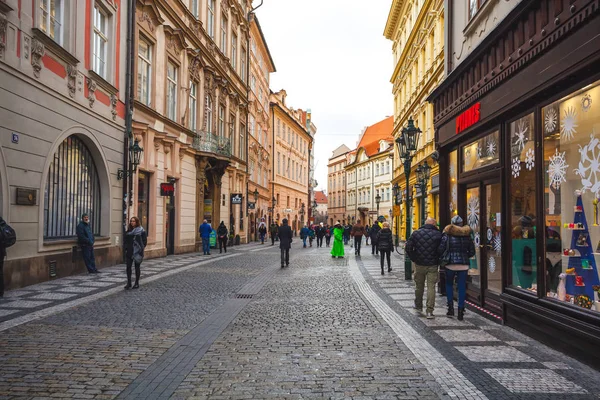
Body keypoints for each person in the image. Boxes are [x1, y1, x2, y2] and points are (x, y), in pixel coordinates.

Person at [438, 215, 475, 321]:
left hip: (450, 264)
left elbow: (441, 249)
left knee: (449, 285)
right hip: (463, 265)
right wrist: (464, 256)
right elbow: (472, 251)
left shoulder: (447, 235)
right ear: (461, 224)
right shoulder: (467, 235)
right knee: (462, 287)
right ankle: (460, 310)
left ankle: (450, 309)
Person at [405, 217, 443, 319]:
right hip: (432, 265)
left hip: (419, 264)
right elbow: (442, 250)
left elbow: (408, 247)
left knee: (419, 286)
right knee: (431, 287)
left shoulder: (416, 233)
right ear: (434, 224)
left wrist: (414, 258)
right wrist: (438, 259)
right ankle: (429, 311)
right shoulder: (439, 235)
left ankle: (418, 305)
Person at [124, 216, 147, 289]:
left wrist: (140, 249)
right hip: (130, 251)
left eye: (133, 221)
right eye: (131, 221)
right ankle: (129, 283)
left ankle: (136, 283)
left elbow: (144, 241)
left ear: (137, 222)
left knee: (137, 267)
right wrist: (126, 248)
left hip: (137, 252)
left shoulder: (141, 231)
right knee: (128, 267)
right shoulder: (129, 231)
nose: (132, 222)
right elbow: (125, 241)